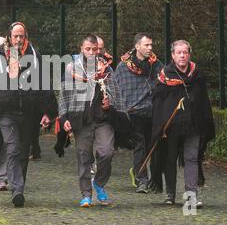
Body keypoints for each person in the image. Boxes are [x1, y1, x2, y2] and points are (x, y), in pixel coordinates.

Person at [0, 22, 57, 207]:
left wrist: (49, 111)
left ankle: (19, 187)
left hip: (29, 113)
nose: (18, 39)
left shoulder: (34, 54)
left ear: (26, 37)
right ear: (9, 37)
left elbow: (45, 83)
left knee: (23, 152)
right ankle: (16, 190)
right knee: (12, 148)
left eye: (22, 36)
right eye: (15, 36)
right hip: (5, 112)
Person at [58, 34, 121, 207]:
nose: (91, 52)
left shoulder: (107, 69)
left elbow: (115, 94)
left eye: (95, 49)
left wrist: (110, 104)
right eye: (88, 49)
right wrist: (64, 117)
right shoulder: (72, 68)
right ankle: (86, 193)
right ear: (81, 49)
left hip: (103, 120)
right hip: (81, 120)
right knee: (83, 156)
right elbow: (64, 94)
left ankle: (99, 183)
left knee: (107, 152)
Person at [151, 40, 215, 207]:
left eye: (185, 52)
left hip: (193, 126)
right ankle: (170, 195)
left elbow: (203, 102)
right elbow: (158, 103)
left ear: (189, 54)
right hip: (171, 127)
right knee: (170, 159)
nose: (182, 55)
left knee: (191, 158)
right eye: (178, 52)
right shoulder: (165, 75)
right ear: (173, 55)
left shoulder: (197, 75)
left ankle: (191, 197)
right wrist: (161, 126)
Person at [113, 33, 163, 193]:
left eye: (151, 45)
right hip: (132, 113)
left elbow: (163, 86)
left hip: (152, 112)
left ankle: (141, 173)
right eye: (146, 45)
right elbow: (118, 90)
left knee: (151, 146)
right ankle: (142, 180)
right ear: (137, 46)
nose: (150, 48)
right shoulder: (122, 67)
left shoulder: (156, 65)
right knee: (140, 145)